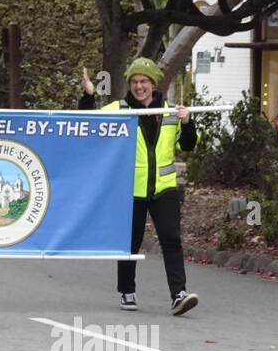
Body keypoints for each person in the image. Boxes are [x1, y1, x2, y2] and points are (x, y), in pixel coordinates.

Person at [80, 58, 199, 315]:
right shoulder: (119, 109)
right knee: (129, 243)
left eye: (144, 81)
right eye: (134, 82)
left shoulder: (170, 112)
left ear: (153, 84)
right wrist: (88, 96)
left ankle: (179, 294)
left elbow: (188, 146)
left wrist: (188, 122)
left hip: (164, 187)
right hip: (130, 188)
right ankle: (127, 291)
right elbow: (87, 124)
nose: (139, 86)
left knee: (171, 239)